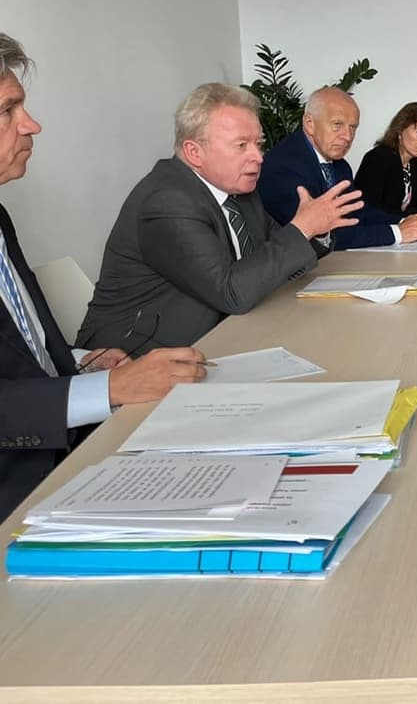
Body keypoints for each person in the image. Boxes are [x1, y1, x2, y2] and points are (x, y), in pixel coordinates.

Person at [0, 33, 206, 520]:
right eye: (8, 110)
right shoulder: (166, 196)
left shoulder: (1, 219)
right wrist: (112, 388)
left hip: (70, 447)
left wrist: (79, 363)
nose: (32, 125)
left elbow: (20, 351)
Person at [77, 83, 362, 351]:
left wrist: (316, 230)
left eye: (258, 143)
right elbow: (232, 293)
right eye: (241, 146)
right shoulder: (167, 201)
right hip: (136, 355)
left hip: (225, 333)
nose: (258, 157)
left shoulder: (241, 191)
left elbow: (278, 258)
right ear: (194, 153)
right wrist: (302, 227)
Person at [258, 87, 417, 247]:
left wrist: (404, 221)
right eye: (338, 125)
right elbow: (321, 235)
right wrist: (397, 233)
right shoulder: (282, 166)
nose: (348, 137)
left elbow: (357, 212)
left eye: (353, 127)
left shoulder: (339, 165)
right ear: (309, 123)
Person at [356, 101, 417, 219]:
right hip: (380, 229)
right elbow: (370, 211)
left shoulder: (416, 163)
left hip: (405, 229)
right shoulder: (378, 158)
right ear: (400, 129)